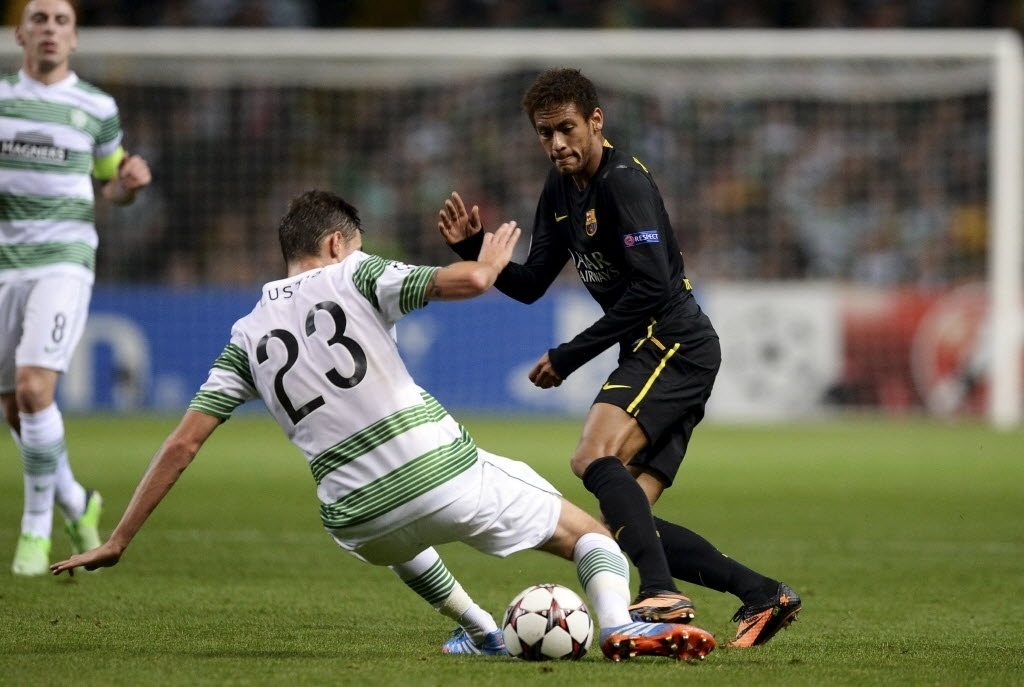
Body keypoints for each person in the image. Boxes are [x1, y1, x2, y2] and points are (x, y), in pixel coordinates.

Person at [50, 190, 716, 662]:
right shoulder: (356, 273)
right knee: (591, 533)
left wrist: (119, 538)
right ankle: (619, 624)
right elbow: (458, 282)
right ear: (337, 243)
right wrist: (484, 266)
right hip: (443, 477)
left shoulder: (244, 335)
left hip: (357, 522)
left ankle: (483, 630)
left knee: (390, 526)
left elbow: (183, 442)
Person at [438, 67, 801, 648]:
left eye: (566, 129)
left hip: (673, 341)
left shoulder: (623, 181)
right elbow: (532, 282)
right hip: (659, 346)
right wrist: (472, 251)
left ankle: (660, 591)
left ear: (595, 122)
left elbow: (654, 288)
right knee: (619, 529)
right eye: (544, 133)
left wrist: (571, 355)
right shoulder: (559, 191)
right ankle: (764, 594)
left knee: (591, 455)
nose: (557, 144)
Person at [1, 0, 152, 576]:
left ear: (74, 38)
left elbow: (110, 186)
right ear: (20, 33)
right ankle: (76, 502)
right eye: (39, 19)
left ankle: (35, 532)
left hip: (63, 260)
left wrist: (128, 186)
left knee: (36, 389)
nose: (50, 30)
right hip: (4, 264)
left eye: (61, 21)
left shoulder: (96, 107)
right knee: (17, 410)